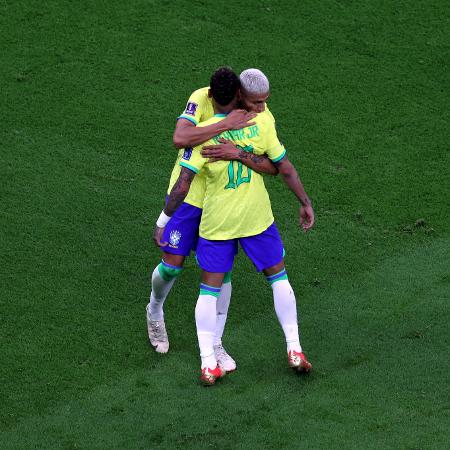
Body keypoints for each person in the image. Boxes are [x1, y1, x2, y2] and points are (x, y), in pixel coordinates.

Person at [154, 70, 315, 386]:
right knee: (176, 269)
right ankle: (155, 311)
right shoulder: (224, 110)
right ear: (237, 95)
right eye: (257, 102)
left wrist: (161, 221)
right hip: (227, 211)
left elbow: (274, 167)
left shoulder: (243, 123)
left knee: (214, 284)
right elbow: (180, 141)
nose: (261, 107)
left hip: (219, 218)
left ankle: (210, 355)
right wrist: (305, 201)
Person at [146, 68, 277, 373]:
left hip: (221, 201)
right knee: (171, 265)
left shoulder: (247, 105)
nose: (233, 111)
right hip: (188, 197)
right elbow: (180, 137)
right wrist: (221, 124)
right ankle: (154, 310)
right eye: (227, 107)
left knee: (221, 271)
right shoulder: (200, 98)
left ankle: (215, 342)